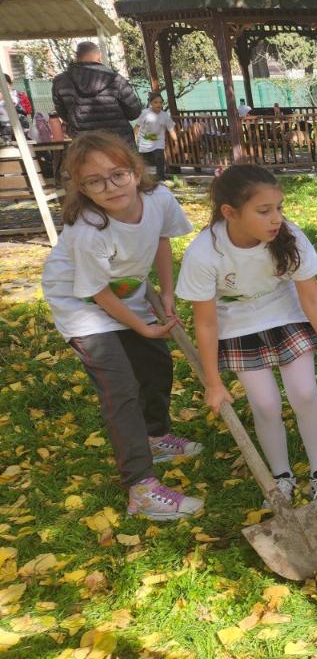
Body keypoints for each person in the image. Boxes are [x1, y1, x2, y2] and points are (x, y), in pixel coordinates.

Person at [40, 131, 204, 520]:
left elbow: (162, 240)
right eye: (94, 181)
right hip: (81, 303)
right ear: (81, 188)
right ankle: (141, 488)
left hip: (128, 292)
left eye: (117, 174)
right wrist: (143, 328)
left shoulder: (159, 199)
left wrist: (166, 293)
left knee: (156, 366)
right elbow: (97, 292)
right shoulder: (88, 229)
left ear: (135, 170)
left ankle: (156, 436)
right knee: (121, 387)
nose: (110, 187)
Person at [177, 165, 317, 509]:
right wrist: (213, 382)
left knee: (304, 392)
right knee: (266, 404)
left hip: (285, 315)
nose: (276, 219)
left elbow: (312, 299)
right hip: (238, 326)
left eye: (279, 208)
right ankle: (281, 478)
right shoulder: (204, 253)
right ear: (230, 213)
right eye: (264, 211)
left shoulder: (289, 237)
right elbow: (206, 324)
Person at [51, 41, 142, 143]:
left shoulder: (60, 82)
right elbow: (134, 112)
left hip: (84, 144)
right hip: (119, 143)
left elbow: (63, 114)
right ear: (99, 57)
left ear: (77, 57)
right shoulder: (116, 79)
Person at [136, 93, 176, 180]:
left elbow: (171, 129)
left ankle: (160, 177)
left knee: (160, 157)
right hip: (144, 141)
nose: (158, 104)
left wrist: (176, 140)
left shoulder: (165, 115)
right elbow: (137, 127)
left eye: (160, 102)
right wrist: (135, 138)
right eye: (156, 102)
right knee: (142, 161)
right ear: (151, 103)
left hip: (158, 141)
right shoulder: (145, 113)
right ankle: (142, 178)